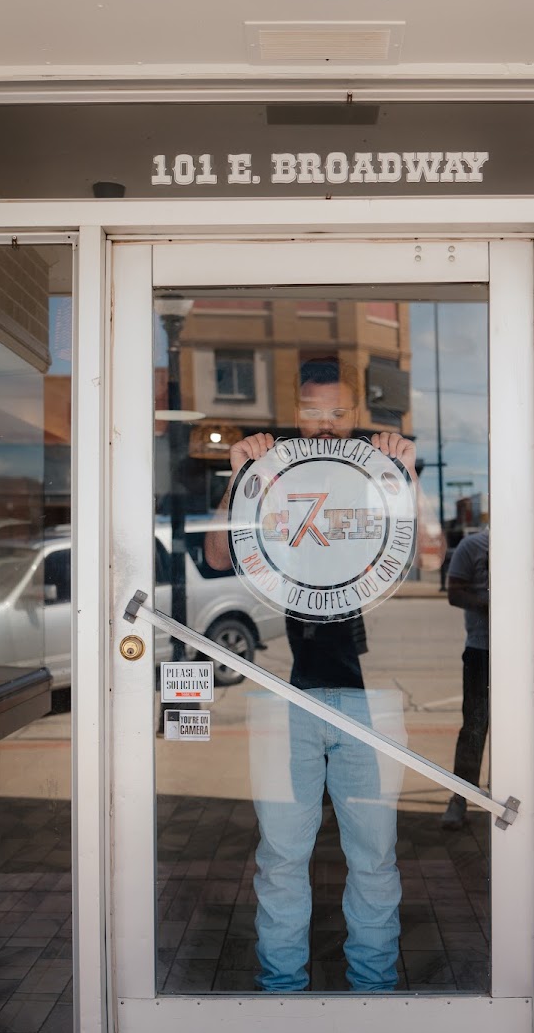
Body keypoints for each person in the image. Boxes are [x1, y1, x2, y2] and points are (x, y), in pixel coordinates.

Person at [205, 358, 417, 992]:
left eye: (338, 412)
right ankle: (282, 992)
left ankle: (373, 991)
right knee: (281, 860)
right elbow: (216, 555)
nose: (326, 424)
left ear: (355, 414)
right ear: (295, 413)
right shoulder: (272, 472)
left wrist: (406, 476)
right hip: (285, 696)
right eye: (312, 411)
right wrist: (240, 478)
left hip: (367, 697)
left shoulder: (376, 471)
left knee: (374, 859)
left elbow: (421, 554)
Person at [442, 524, 489, 830]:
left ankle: (517, 796)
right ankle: (460, 799)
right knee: (474, 726)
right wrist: (489, 604)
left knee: (522, 728)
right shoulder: (473, 546)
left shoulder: (530, 543)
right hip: (481, 650)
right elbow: (454, 592)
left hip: (524, 655)